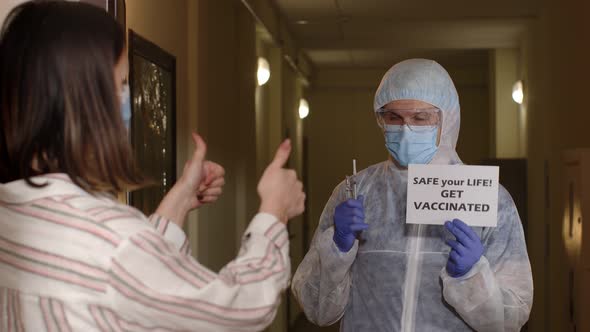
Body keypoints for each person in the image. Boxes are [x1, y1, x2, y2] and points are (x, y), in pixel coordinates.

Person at [0, 1, 305, 331]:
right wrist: (274, 211)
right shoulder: (113, 243)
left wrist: (181, 199)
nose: (129, 101)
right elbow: (241, 307)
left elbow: (128, 278)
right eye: (120, 85)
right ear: (85, 101)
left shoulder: (12, 211)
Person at [292, 58, 533, 331]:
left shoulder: (491, 199)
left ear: (447, 118)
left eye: (420, 118)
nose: (405, 129)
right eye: (394, 117)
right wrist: (337, 247)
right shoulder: (356, 193)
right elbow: (317, 310)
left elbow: (510, 320)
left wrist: (472, 277)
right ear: (380, 119)